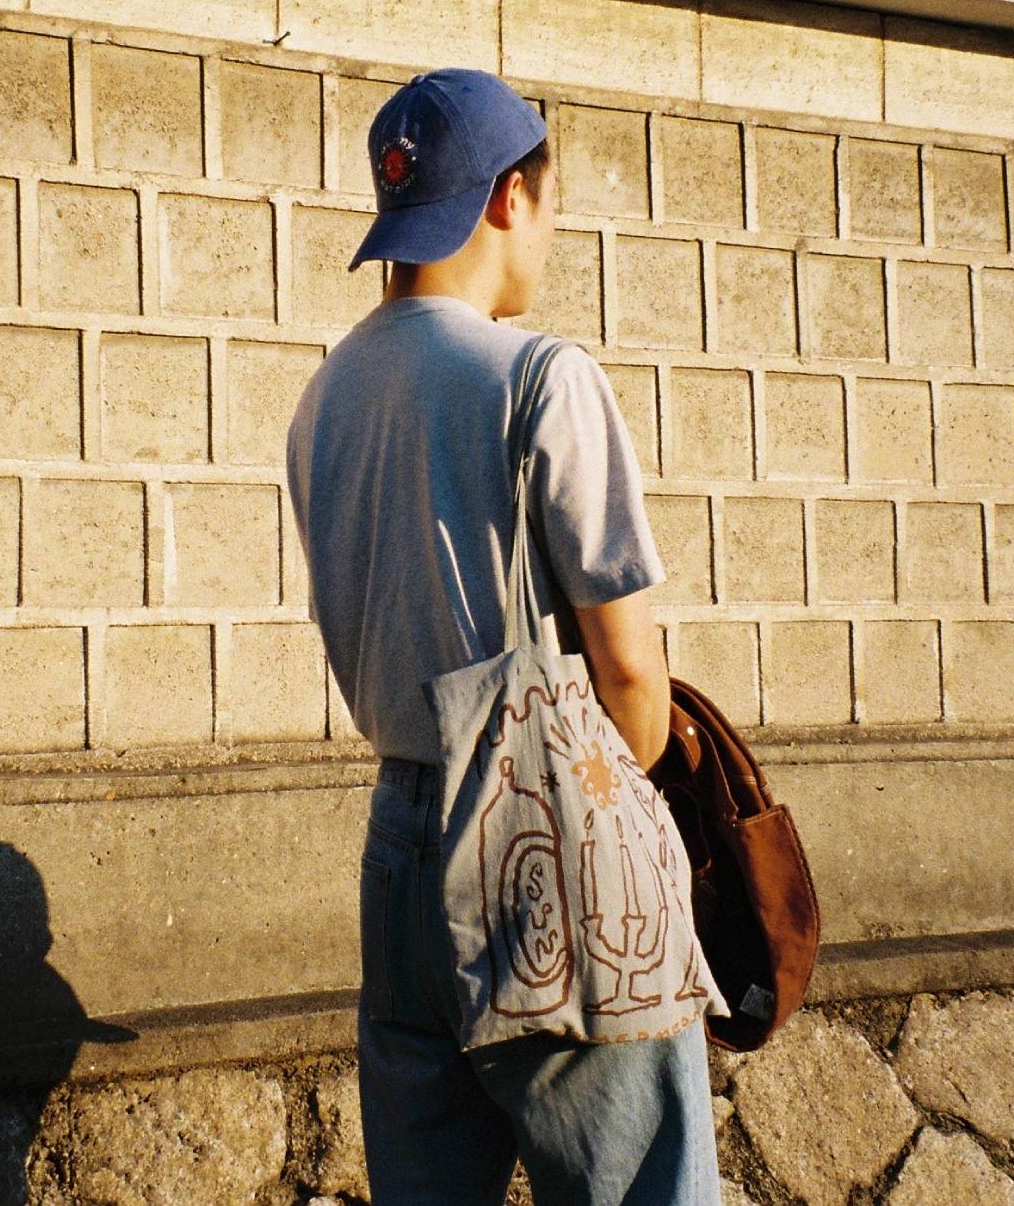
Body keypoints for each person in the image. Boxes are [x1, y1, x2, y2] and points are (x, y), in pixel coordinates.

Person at [285, 70, 720, 1204]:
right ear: (503, 200)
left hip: (399, 844)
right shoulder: (538, 378)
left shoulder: (324, 398)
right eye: (549, 202)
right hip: (546, 833)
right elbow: (628, 671)